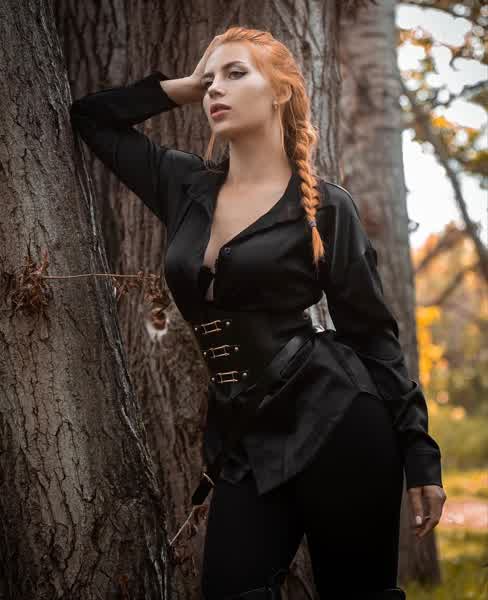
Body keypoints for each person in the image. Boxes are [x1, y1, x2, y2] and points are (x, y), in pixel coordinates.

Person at [70, 25, 446, 600]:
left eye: (235, 73)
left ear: (280, 92)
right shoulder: (184, 185)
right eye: (210, 78)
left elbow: (373, 336)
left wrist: (420, 455)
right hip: (245, 437)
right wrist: (183, 86)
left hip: (338, 422)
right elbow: (91, 118)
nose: (215, 88)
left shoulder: (325, 207)